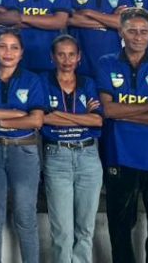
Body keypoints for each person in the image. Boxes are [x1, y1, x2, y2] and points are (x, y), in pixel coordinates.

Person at [97, 7, 148, 263]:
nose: (138, 36)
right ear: (121, 32)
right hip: (120, 155)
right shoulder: (106, 62)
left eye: (144, 31)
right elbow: (107, 110)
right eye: (132, 31)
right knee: (120, 227)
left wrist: (124, 114)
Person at [0, 28, 46, 263]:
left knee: (25, 215)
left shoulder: (32, 80)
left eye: (14, 47)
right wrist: (18, 114)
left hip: (24, 151)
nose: (8, 52)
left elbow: (36, 120)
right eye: (2, 46)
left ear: (22, 52)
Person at [40, 34, 104, 263]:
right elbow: (42, 119)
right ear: (52, 57)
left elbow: (97, 120)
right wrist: (81, 118)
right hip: (57, 156)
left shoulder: (88, 83)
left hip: (88, 156)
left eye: (71, 55)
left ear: (79, 57)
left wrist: (59, 115)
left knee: (85, 229)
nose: (66, 60)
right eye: (61, 54)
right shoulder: (43, 82)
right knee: (62, 232)